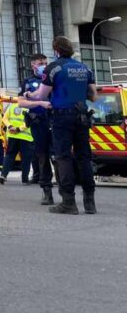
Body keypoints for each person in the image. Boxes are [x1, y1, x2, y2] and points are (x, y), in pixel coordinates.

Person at [20, 36, 97, 215]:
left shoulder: (53, 68)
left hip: (62, 117)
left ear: (56, 50)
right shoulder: (85, 68)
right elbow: (94, 96)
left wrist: (29, 95)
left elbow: (41, 95)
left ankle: (69, 202)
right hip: (82, 116)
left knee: (63, 157)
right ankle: (89, 202)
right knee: (84, 157)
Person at [20, 53, 55, 205]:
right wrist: (39, 103)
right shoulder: (28, 82)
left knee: (58, 156)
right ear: (33, 65)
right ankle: (47, 191)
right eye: (41, 63)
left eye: (46, 63)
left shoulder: (53, 78)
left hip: (55, 121)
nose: (44, 65)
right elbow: (21, 102)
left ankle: (65, 190)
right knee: (42, 157)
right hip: (38, 122)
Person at [0, 98, 33, 185]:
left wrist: (10, 127)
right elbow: (29, 122)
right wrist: (18, 129)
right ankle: (24, 179)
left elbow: (5, 118)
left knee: (9, 156)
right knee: (26, 159)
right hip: (26, 137)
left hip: (12, 136)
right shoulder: (30, 108)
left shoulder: (12, 106)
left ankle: (3, 175)